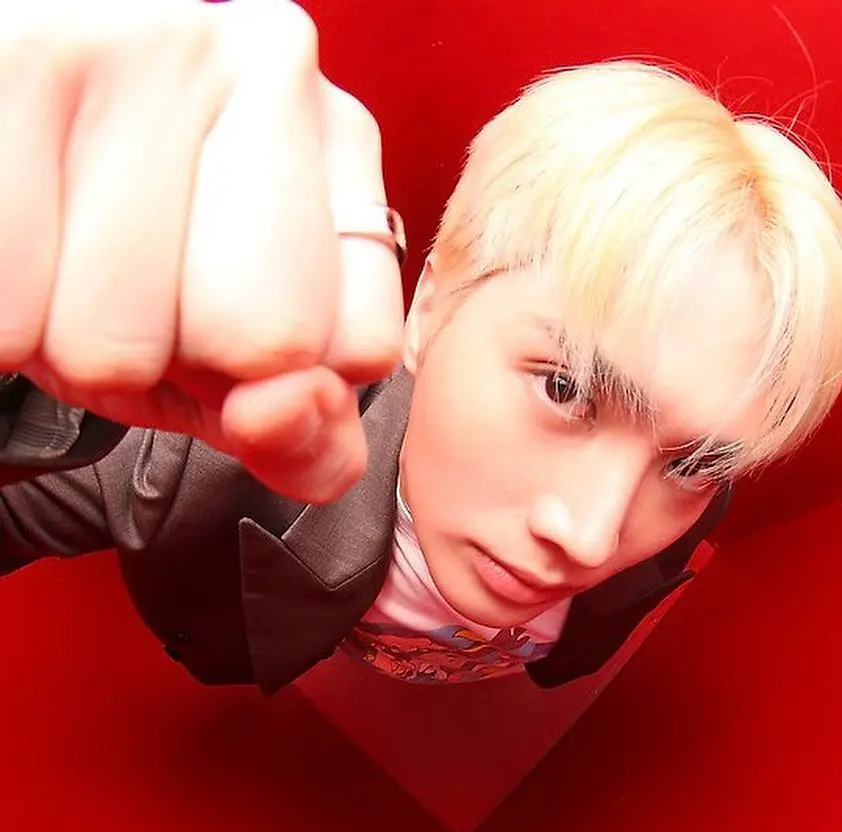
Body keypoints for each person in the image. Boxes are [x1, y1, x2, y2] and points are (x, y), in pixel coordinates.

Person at [1, 0, 841, 690]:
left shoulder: (683, 500)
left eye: (693, 462)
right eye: (564, 388)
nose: (590, 540)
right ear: (431, 304)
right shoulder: (185, 465)